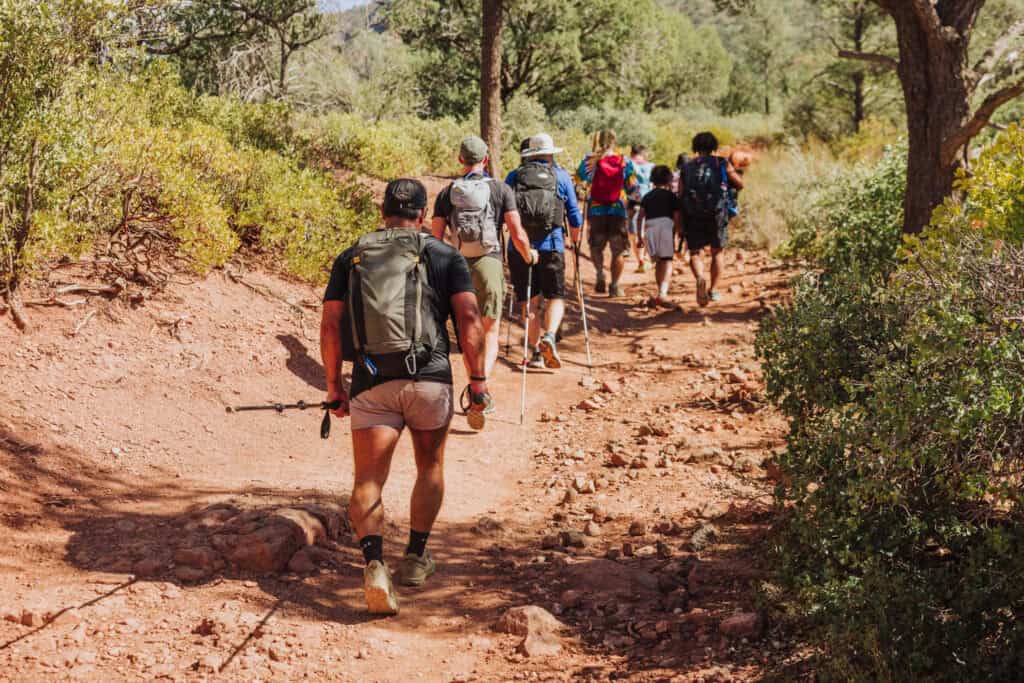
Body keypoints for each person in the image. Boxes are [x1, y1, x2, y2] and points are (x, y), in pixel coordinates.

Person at [320, 178, 489, 615]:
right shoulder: (444, 254)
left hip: (372, 380)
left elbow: (330, 326)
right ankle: (415, 557)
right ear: (421, 216)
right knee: (429, 464)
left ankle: (375, 562)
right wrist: (478, 379)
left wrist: (334, 386)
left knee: (367, 480)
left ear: (382, 213)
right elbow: (469, 320)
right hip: (430, 379)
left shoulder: (352, 256)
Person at [431, 136, 536, 415]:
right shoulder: (501, 189)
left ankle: (474, 384)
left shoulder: (446, 193)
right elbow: (516, 232)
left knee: (467, 330)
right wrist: (529, 255)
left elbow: (435, 238)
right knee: (489, 330)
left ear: (460, 160)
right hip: (488, 264)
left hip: (456, 266)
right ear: (485, 160)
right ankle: (480, 389)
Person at [505, 133, 583, 369]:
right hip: (552, 245)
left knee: (529, 302)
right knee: (556, 297)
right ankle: (550, 335)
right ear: (550, 153)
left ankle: (538, 353)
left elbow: (504, 212)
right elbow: (575, 217)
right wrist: (574, 242)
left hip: (520, 247)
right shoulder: (561, 176)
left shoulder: (514, 176)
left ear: (529, 154)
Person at [677, 132, 744, 307]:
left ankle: (700, 277)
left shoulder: (687, 167)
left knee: (694, 252)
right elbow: (739, 184)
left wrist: (680, 219)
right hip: (717, 212)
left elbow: (680, 194)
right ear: (714, 145)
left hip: (693, 214)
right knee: (717, 251)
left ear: (695, 147)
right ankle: (713, 290)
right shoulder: (721, 163)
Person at [577, 129, 636, 297]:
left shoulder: (589, 160)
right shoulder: (624, 160)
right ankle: (615, 285)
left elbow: (579, 179)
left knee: (596, 246)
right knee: (618, 250)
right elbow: (632, 185)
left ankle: (599, 274)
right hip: (617, 210)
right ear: (614, 141)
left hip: (596, 209)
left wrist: (588, 185)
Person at [637, 165, 679, 308]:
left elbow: (640, 217)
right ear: (668, 180)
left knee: (658, 262)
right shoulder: (671, 196)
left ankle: (660, 292)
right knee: (667, 261)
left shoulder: (647, 196)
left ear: (652, 180)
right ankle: (662, 293)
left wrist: (639, 236)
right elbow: (676, 216)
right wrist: (678, 232)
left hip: (650, 228)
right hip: (666, 226)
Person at [627, 145, 654, 273]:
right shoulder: (651, 166)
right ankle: (648, 258)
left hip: (633, 201)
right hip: (649, 201)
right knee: (647, 231)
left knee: (633, 234)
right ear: (643, 153)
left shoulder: (628, 164)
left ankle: (641, 261)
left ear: (631, 153)